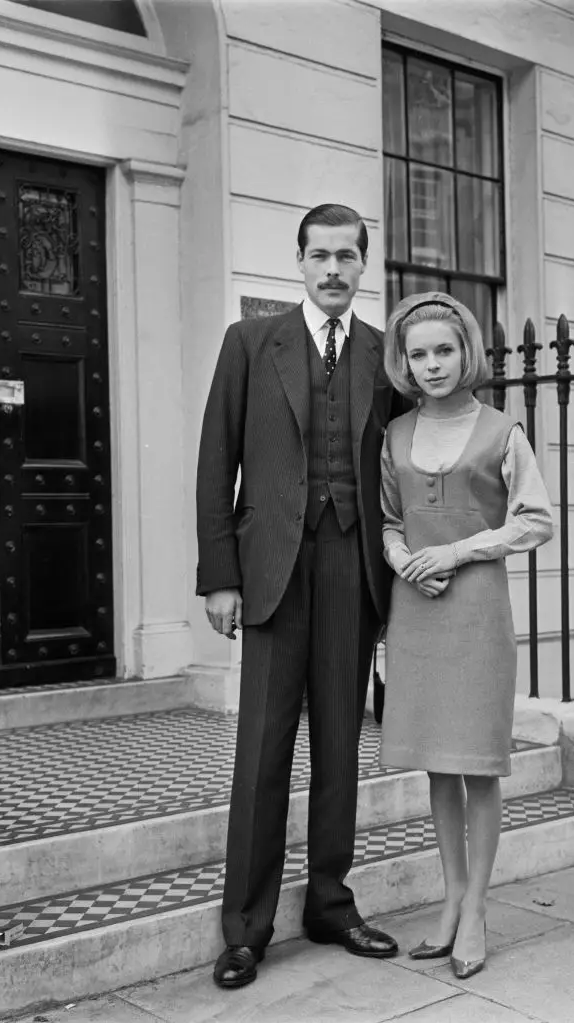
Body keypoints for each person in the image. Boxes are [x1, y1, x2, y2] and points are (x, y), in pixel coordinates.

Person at [196, 203, 409, 990]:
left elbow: (409, 466)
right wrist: (218, 573)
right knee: (261, 753)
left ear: (362, 267)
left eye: (346, 257)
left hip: (353, 565)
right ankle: (245, 926)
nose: (332, 269)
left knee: (341, 751)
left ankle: (330, 900)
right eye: (319, 255)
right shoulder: (251, 343)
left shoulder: (386, 357)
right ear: (298, 260)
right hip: (271, 569)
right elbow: (217, 460)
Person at [378, 292, 555, 980]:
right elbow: (390, 521)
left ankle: (477, 907)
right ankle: (450, 897)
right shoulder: (394, 435)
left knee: (477, 761)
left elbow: (536, 519)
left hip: (477, 606)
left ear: (466, 351)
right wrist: (402, 560)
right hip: (415, 608)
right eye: (418, 354)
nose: (432, 365)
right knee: (437, 762)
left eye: (443, 350)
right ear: (405, 361)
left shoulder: (501, 430)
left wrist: (456, 553)